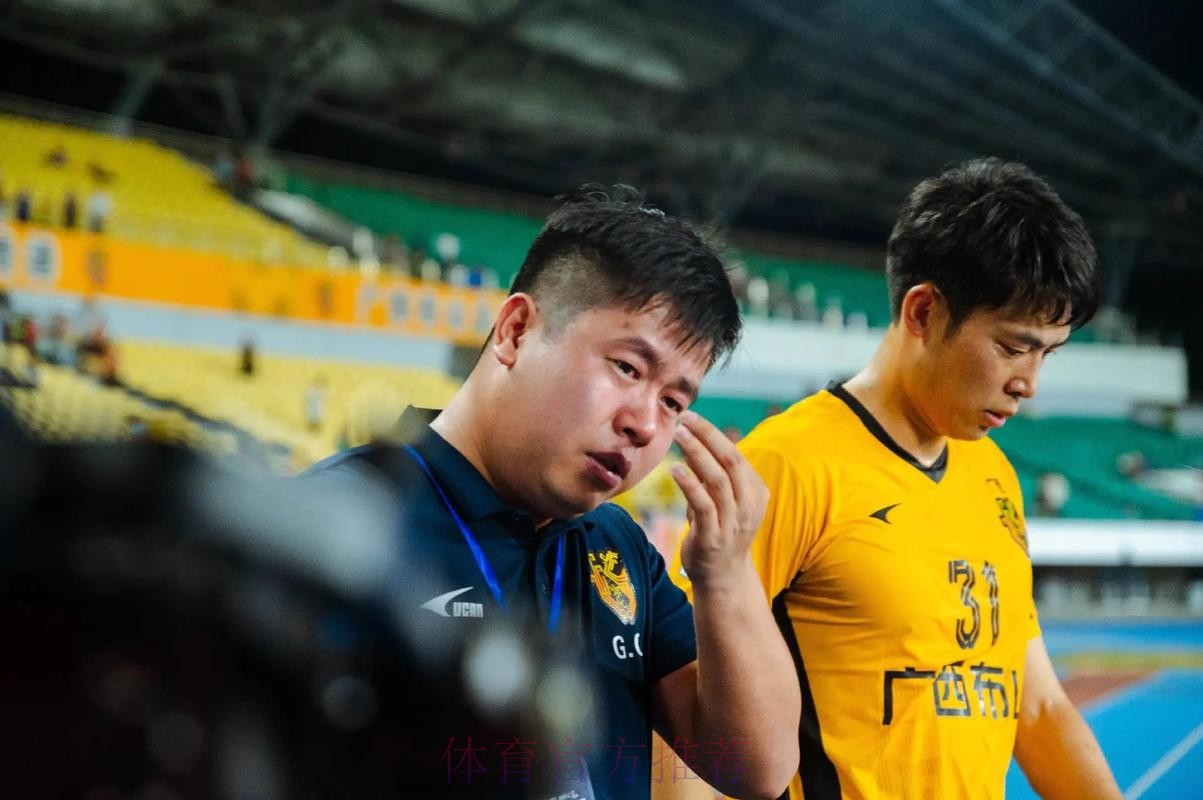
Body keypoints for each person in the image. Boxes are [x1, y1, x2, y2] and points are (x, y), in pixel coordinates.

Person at [305, 186, 800, 799]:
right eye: (627, 368)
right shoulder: (342, 525)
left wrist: (724, 575)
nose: (646, 424)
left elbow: (759, 770)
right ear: (515, 331)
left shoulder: (618, 543)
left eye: (674, 401)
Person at [666, 159, 1122, 800]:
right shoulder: (788, 464)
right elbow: (685, 714)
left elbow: (1038, 707)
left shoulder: (995, 475)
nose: (1029, 383)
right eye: (1014, 347)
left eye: (1047, 353)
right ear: (923, 311)